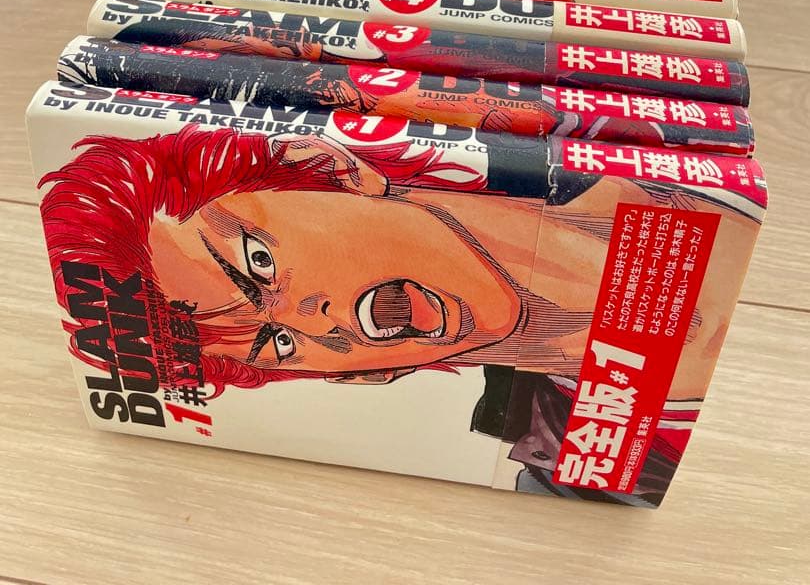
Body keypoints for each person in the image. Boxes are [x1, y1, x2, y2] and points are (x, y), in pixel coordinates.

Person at [40, 125, 759, 503]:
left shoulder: (639, 138)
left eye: (257, 262)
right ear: (364, 377)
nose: (312, 321)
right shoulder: (576, 471)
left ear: (331, 170)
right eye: (278, 345)